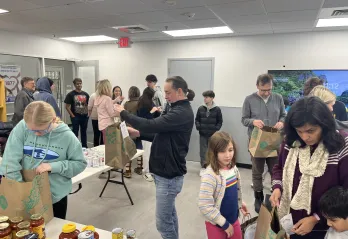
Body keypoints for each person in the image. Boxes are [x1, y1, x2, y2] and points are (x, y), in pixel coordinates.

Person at [115, 76, 194, 239]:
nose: (165, 96)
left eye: (167, 92)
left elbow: (151, 124)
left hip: (169, 175)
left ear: (179, 91)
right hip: (164, 173)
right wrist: (138, 133)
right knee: (170, 216)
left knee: (163, 223)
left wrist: (123, 113)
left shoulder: (181, 112)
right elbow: (160, 133)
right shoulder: (175, 108)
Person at [269, 97, 348, 239]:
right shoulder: (291, 141)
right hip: (290, 220)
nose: (305, 137)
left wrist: (316, 218)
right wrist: (277, 188)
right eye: (299, 131)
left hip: (325, 226)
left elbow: (346, 193)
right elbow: (279, 168)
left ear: (324, 124)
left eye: (311, 130)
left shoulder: (341, 145)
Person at [0, 101, 87, 219]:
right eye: (32, 130)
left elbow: (79, 164)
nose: (36, 134)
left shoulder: (67, 137)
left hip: (54, 197)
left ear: (53, 120)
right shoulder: (22, 127)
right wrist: (22, 190)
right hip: (23, 194)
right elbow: (10, 162)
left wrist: (53, 167)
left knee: (52, 232)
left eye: (41, 131)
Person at [241, 73, 286, 213]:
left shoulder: (278, 98)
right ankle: (258, 197)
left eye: (269, 90)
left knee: (276, 170)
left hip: (274, 142)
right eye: (263, 90)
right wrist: (253, 121)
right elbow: (244, 119)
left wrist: (282, 122)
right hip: (257, 142)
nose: (266, 93)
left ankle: (275, 196)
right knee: (257, 171)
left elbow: (283, 115)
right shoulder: (249, 99)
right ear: (257, 86)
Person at [198, 131, 248, 239]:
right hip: (216, 226)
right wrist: (224, 224)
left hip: (234, 221)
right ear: (214, 152)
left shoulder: (233, 169)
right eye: (222, 151)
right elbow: (204, 206)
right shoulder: (210, 175)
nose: (228, 155)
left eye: (230, 150)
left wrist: (239, 202)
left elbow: (232, 192)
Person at [135, 87, 161, 181]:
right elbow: (143, 120)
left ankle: (150, 171)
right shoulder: (142, 104)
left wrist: (158, 111)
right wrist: (152, 111)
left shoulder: (150, 102)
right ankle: (146, 172)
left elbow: (154, 117)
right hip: (145, 132)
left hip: (152, 132)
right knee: (147, 153)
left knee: (151, 153)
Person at [195, 90, 223, 176]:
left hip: (213, 135)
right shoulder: (200, 108)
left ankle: (212, 166)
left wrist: (215, 129)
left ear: (212, 98)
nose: (205, 99)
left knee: (212, 151)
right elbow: (197, 120)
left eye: (206, 97)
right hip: (203, 134)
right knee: (203, 151)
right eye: (204, 97)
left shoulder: (217, 109)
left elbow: (220, 121)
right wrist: (199, 127)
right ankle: (203, 167)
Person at [64, 78, 89, 148]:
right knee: (75, 132)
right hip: (75, 117)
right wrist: (73, 116)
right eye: (77, 84)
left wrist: (88, 114)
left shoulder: (85, 94)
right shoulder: (70, 94)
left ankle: (84, 146)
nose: (79, 85)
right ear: (74, 85)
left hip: (84, 116)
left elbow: (87, 105)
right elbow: (67, 107)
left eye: (80, 83)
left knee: (84, 132)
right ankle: (75, 147)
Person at [124, 86, 142, 177]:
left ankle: (128, 171)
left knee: (128, 150)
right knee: (139, 148)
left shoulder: (127, 104)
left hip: (129, 129)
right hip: (139, 128)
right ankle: (139, 168)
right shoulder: (140, 103)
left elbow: (123, 116)